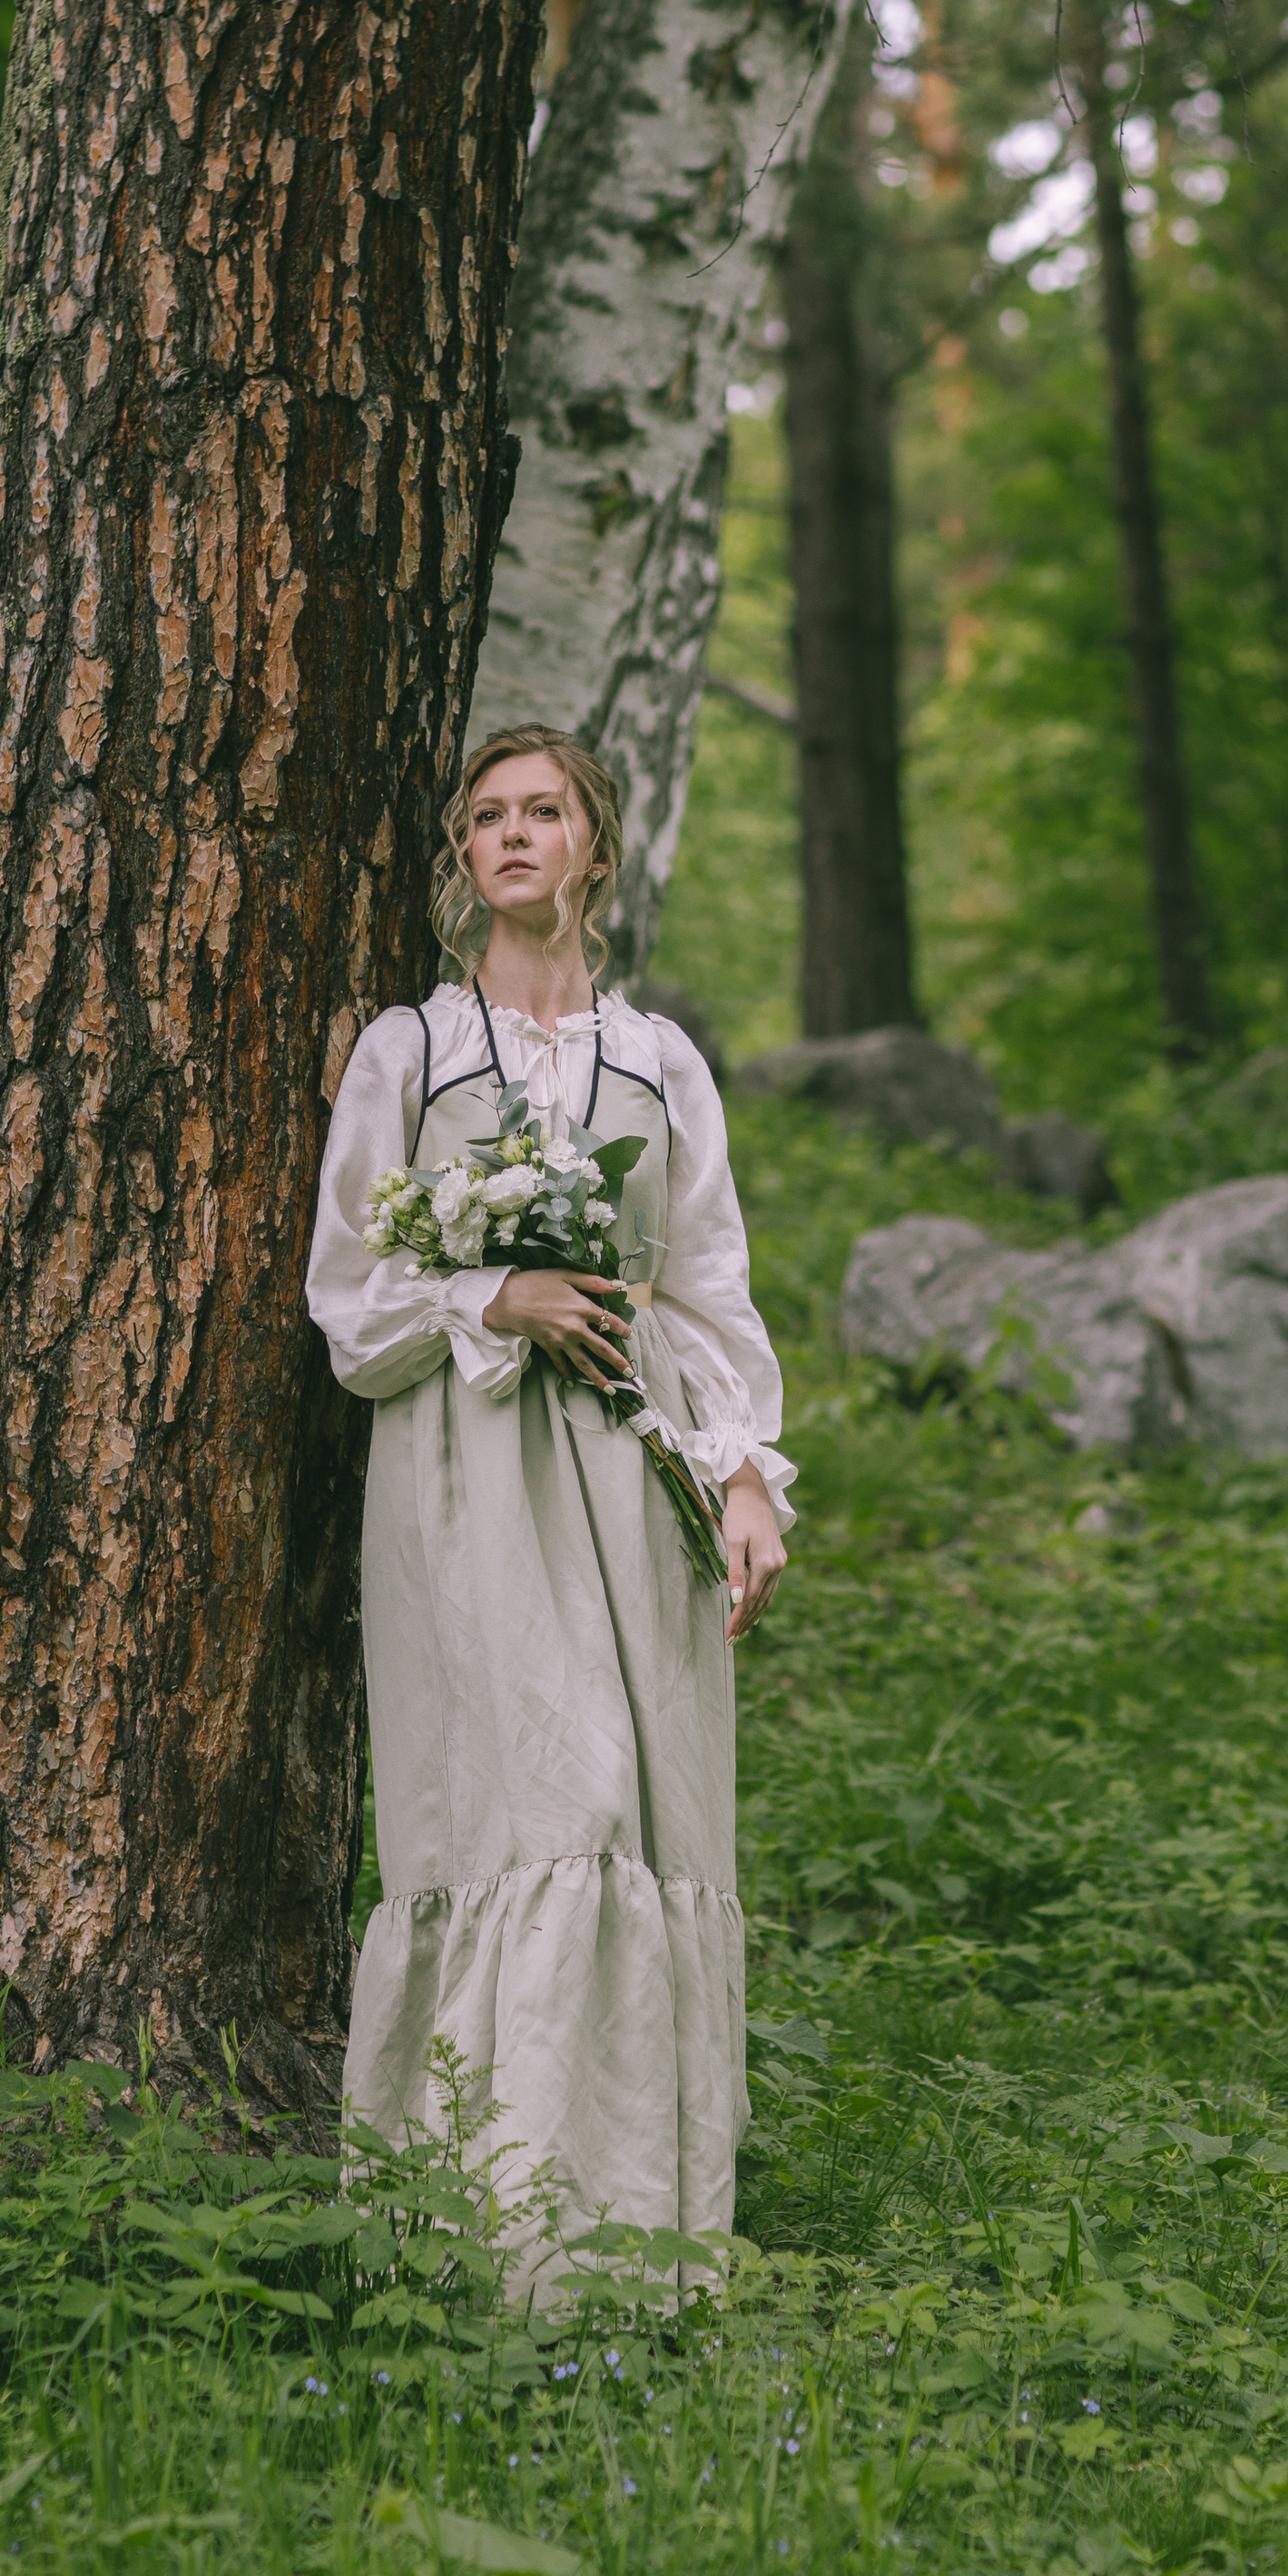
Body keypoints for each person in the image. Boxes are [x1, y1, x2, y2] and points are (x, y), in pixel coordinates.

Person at [306, 725, 791, 2263]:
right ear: (465, 857)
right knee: (536, 1801)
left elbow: (703, 1286)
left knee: (643, 1819)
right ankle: (481, 2230)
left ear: (595, 845)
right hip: (467, 1477)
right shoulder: (409, 1051)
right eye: (488, 817)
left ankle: (635, 2241)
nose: (514, 836)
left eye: (545, 812)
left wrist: (746, 1478)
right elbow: (347, 1300)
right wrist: (490, 1294)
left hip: (630, 1468)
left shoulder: (660, 1063)